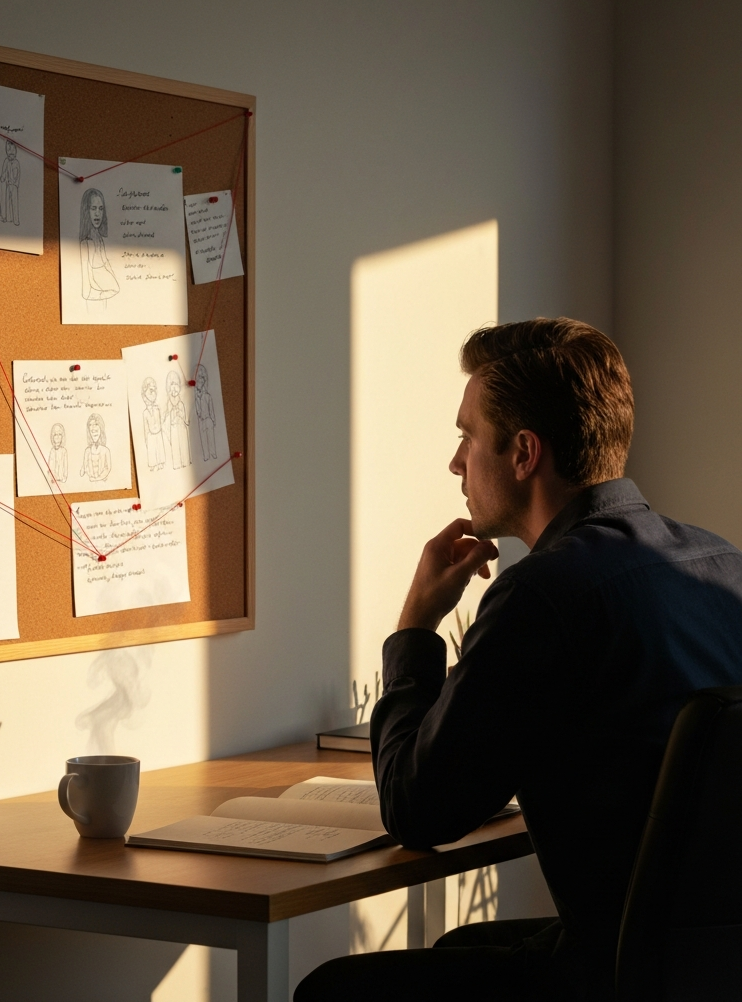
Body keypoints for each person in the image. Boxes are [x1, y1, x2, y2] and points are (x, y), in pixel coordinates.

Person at [296, 318, 742, 1002]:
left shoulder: (545, 594)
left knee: (334, 989)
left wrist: (415, 626)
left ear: (524, 453)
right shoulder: (721, 564)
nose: (456, 462)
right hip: (709, 964)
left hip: (618, 973)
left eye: (467, 437)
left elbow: (421, 809)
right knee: (458, 949)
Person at [78, 188, 119, 302]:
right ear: (87, 211)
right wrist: (108, 294)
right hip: (99, 302)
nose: (97, 213)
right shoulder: (86, 244)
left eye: (101, 209)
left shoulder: (99, 239)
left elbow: (108, 269)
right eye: (93, 208)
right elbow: (86, 292)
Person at [164, 371, 191, 469]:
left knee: (184, 444)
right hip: (174, 428)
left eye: (176, 384)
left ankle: (186, 461)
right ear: (169, 388)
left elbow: (185, 417)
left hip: (181, 427)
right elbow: (168, 417)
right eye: (172, 384)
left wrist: (182, 416)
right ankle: (177, 463)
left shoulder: (181, 402)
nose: (174, 387)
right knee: (175, 446)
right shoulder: (169, 403)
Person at [193, 364, 217, 461]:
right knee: (203, 439)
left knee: (211, 438)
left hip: (208, 420)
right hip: (201, 421)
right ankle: (206, 455)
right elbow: (197, 410)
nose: (200, 383)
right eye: (198, 381)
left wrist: (213, 420)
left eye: (202, 381)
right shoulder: (196, 398)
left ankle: (213, 453)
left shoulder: (207, 396)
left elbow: (211, 409)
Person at [141, 377, 165, 471]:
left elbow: (161, 421)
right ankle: (154, 464)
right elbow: (145, 428)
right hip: (151, 434)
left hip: (158, 433)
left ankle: (160, 462)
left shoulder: (157, 409)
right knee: (152, 448)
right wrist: (146, 439)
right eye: (151, 390)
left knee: (159, 447)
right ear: (144, 392)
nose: (153, 393)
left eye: (154, 390)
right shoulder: (145, 413)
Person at [80, 413, 112, 482]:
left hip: (103, 482)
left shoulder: (106, 450)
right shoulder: (87, 451)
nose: (93, 428)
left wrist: (97, 479)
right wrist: (84, 469)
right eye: (92, 431)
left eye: (96, 424)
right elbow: (85, 467)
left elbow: (108, 468)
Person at [0, 140, 20, 225]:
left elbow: (17, 175)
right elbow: (3, 172)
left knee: (14, 202)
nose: (10, 156)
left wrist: (15, 183)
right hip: (8, 185)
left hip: (14, 185)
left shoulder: (16, 163)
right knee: (7, 201)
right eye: (9, 154)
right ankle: (7, 218)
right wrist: (3, 177)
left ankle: (16, 220)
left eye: (12, 154)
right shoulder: (6, 161)